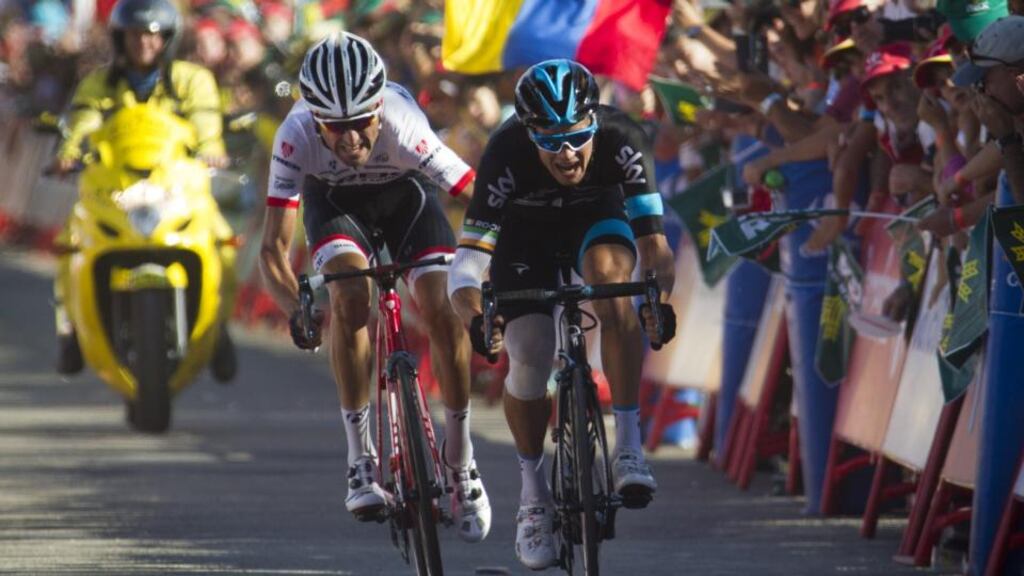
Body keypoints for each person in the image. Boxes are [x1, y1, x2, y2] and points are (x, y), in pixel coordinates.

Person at [257, 31, 491, 543]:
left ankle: (461, 458)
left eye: (361, 121)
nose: (351, 139)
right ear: (313, 117)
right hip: (337, 206)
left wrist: (495, 259)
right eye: (335, 127)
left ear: (380, 109)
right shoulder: (294, 135)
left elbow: (478, 196)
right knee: (349, 297)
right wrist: (291, 308)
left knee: (440, 303)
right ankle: (360, 459)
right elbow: (272, 247)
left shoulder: (404, 125)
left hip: (407, 197)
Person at [447, 59, 676, 570]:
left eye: (577, 135)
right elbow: (466, 267)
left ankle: (629, 448)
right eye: (550, 141)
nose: (567, 152)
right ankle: (533, 497)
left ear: (595, 120)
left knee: (614, 283)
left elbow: (655, 247)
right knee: (528, 355)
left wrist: (657, 301)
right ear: (528, 132)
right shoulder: (504, 151)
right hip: (524, 237)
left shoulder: (621, 136)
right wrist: (476, 317)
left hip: (596, 221)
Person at [49, 0, 236, 381]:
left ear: (168, 38)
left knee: (223, 237)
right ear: (120, 38)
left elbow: (205, 120)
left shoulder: (192, 79)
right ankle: (68, 327)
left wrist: (213, 148)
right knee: (71, 239)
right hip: (116, 189)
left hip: (175, 186)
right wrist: (68, 152)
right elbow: (82, 120)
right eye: (135, 35)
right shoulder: (99, 82)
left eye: (153, 35)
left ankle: (220, 327)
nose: (144, 44)